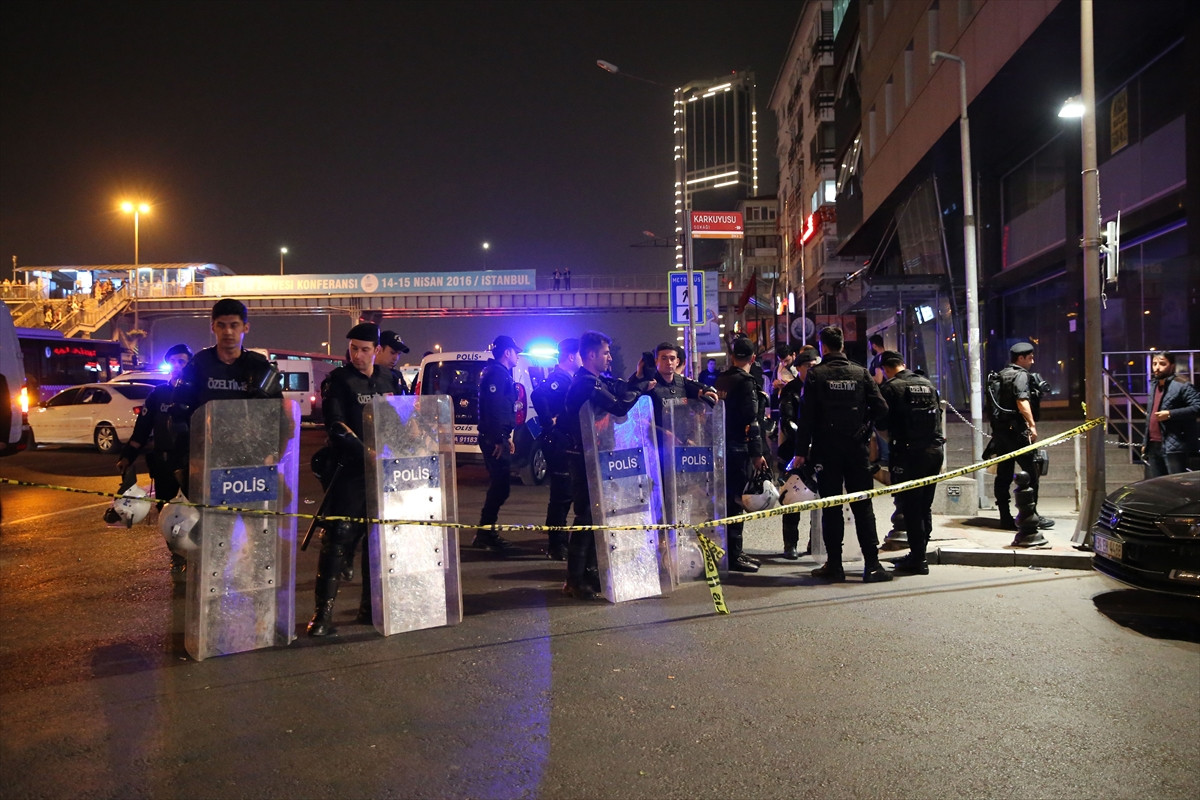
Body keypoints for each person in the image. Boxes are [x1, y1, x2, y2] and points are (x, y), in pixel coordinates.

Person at [307, 322, 404, 637]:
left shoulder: (390, 379)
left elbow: (405, 418)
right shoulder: (339, 380)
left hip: (383, 473)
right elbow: (335, 425)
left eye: (364, 350)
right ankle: (322, 616)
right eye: (353, 349)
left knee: (377, 539)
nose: (357, 355)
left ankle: (369, 607)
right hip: (348, 470)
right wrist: (367, 453)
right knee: (339, 538)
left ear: (376, 350)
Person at [793, 326, 892, 583]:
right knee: (863, 506)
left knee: (832, 507)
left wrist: (801, 452)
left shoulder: (816, 375)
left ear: (823, 347)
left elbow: (806, 417)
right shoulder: (860, 373)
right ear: (842, 346)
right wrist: (865, 426)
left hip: (827, 451)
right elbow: (881, 408)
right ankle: (872, 564)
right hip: (857, 450)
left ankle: (835, 565)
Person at [561, 330, 646, 599]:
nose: (609, 357)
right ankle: (574, 579)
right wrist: (640, 389)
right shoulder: (585, 383)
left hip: (595, 455)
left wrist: (638, 379)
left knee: (596, 515)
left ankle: (589, 573)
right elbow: (619, 407)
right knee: (586, 516)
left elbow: (619, 389)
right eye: (606, 353)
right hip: (583, 457)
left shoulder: (595, 380)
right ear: (591, 355)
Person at [169, 298, 283, 497]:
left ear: (245, 327)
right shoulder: (199, 364)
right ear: (213, 327)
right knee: (210, 513)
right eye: (221, 325)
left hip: (251, 458)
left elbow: (278, 414)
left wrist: (272, 453)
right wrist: (190, 457)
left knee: (250, 512)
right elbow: (180, 412)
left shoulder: (258, 366)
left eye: (234, 325)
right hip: (208, 457)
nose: (228, 332)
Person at [876, 351, 944, 575]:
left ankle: (918, 559)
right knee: (925, 505)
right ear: (903, 363)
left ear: (885, 369)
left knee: (911, 507)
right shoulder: (927, 384)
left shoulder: (890, 388)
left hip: (909, 454)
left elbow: (881, 423)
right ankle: (919, 553)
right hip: (934, 451)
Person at [714, 336, 767, 573]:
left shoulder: (722, 379)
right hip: (738, 448)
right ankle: (734, 555)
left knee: (728, 501)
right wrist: (757, 453)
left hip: (722, 446)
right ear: (753, 358)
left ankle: (733, 551)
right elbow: (751, 421)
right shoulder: (746, 382)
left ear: (732, 356)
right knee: (737, 502)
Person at [988, 341, 1052, 531]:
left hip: (1001, 433)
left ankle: (1005, 517)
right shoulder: (1021, 375)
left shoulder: (1001, 375)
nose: (1032, 361)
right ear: (1021, 358)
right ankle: (1029, 516)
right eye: (1030, 357)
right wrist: (1032, 425)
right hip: (1017, 432)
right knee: (1031, 474)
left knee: (1003, 475)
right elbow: (1022, 401)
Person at [530, 337, 580, 560]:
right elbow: (537, 394)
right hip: (558, 442)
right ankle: (556, 545)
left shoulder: (568, 377)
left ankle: (559, 542)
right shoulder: (559, 378)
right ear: (571, 356)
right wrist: (549, 421)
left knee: (566, 493)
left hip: (564, 441)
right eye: (579, 355)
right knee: (561, 494)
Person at [473, 334, 521, 555]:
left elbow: (501, 409)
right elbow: (493, 410)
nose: (517, 356)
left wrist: (505, 436)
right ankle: (485, 533)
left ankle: (486, 532)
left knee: (501, 486)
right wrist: (499, 438)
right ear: (507, 352)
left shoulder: (499, 373)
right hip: (493, 439)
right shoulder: (496, 374)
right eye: (515, 352)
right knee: (500, 487)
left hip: (497, 436)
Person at [777, 345, 819, 559]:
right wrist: (803, 445)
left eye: (815, 365)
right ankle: (790, 544)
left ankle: (816, 542)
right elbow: (787, 421)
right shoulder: (791, 389)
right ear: (799, 367)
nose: (812, 369)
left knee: (818, 499)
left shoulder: (821, 386)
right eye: (808, 366)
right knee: (792, 498)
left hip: (818, 450)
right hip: (794, 451)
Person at [1141, 350, 1200, 478]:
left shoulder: (1182, 385)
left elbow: (1197, 407)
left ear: (1172, 366)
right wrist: (1146, 442)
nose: (1157, 368)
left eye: (1162, 364)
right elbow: (1150, 416)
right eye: (1154, 364)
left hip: (1174, 445)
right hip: (1153, 444)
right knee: (1158, 484)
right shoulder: (1154, 385)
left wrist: (1170, 414)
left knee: (1176, 484)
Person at [633, 342, 717, 430]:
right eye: (664, 358)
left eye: (672, 358)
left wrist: (707, 392)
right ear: (656, 361)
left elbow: (701, 390)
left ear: (677, 362)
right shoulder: (649, 383)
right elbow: (638, 418)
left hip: (681, 436)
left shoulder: (682, 383)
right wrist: (637, 377)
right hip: (657, 437)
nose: (669, 362)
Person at [378, 330, 411, 394]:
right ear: (379, 350)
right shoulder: (367, 375)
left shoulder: (398, 376)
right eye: (392, 353)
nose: (396, 358)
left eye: (399, 354)